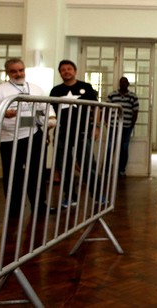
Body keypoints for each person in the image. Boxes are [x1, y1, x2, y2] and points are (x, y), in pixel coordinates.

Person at [0, 58, 57, 218]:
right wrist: (3, 112)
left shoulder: (35, 88)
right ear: (8, 73)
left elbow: (46, 107)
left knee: (36, 172)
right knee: (13, 174)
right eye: (14, 71)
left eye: (21, 70)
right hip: (8, 139)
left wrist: (51, 118)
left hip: (33, 134)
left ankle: (40, 206)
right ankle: (14, 209)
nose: (18, 74)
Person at [49, 59, 102, 207]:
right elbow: (50, 111)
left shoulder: (86, 87)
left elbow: (96, 108)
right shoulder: (55, 91)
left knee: (88, 164)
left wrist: (96, 126)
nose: (66, 71)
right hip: (62, 132)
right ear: (60, 73)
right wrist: (49, 131)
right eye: (63, 70)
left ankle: (97, 195)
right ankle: (70, 196)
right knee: (63, 165)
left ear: (75, 71)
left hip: (83, 131)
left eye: (69, 69)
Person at [105, 77, 139, 177]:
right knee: (110, 147)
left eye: (125, 82)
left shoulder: (133, 96)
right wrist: (107, 122)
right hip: (113, 125)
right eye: (121, 82)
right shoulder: (112, 95)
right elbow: (107, 109)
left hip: (126, 126)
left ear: (128, 83)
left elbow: (135, 111)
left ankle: (121, 170)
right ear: (119, 84)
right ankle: (106, 170)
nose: (123, 84)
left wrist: (131, 125)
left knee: (124, 148)